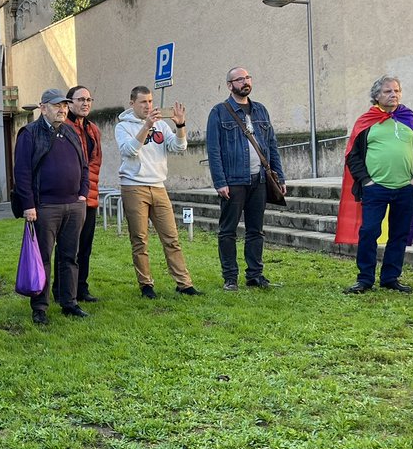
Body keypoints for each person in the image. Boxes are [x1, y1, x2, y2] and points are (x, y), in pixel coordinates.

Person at [336, 75, 413, 294]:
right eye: (388, 91)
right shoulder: (366, 121)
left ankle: (391, 277)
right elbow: (353, 155)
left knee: (398, 234)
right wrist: (366, 181)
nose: (393, 95)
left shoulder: (409, 119)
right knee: (369, 231)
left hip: (405, 188)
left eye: (397, 91)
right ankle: (365, 278)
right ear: (377, 96)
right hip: (375, 188)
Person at [115, 85, 201, 299]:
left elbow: (179, 147)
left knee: (171, 237)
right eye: (143, 102)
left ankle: (184, 284)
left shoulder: (161, 124)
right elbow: (129, 150)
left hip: (159, 186)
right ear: (132, 103)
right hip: (134, 186)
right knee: (140, 239)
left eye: (151, 101)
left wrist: (180, 124)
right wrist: (146, 126)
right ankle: (146, 285)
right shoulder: (123, 127)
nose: (148, 106)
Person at [205, 67, 286, 290]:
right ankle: (230, 277)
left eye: (247, 77)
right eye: (239, 79)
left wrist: (280, 177)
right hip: (233, 180)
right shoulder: (219, 112)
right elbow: (213, 150)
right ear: (230, 85)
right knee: (228, 230)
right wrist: (220, 181)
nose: (245, 82)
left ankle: (255, 275)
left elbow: (271, 146)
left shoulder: (260, 111)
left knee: (255, 230)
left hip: (259, 179)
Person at [14, 89, 90, 325]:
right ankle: (40, 308)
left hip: (73, 205)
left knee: (70, 257)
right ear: (42, 107)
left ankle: (69, 302)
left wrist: (82, 194)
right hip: (45, 207)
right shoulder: (29, 133)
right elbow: (22, 172)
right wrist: (28, 205)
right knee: (43, 258)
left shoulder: (70, 131)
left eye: (65, 106)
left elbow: (84, 165)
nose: (62, 109)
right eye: (57, 105)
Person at [53, 85, 102, 303]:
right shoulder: (64, 127)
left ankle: (81, 288)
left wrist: (87, 192)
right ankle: (61, 290)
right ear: (69, 103)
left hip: (88, 197)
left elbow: (94, 162)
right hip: (69, 198)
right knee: (66, 248)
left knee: (85, 247)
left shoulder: (92, 129)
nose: (85, 103)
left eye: (89, 99)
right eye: (80, 99)